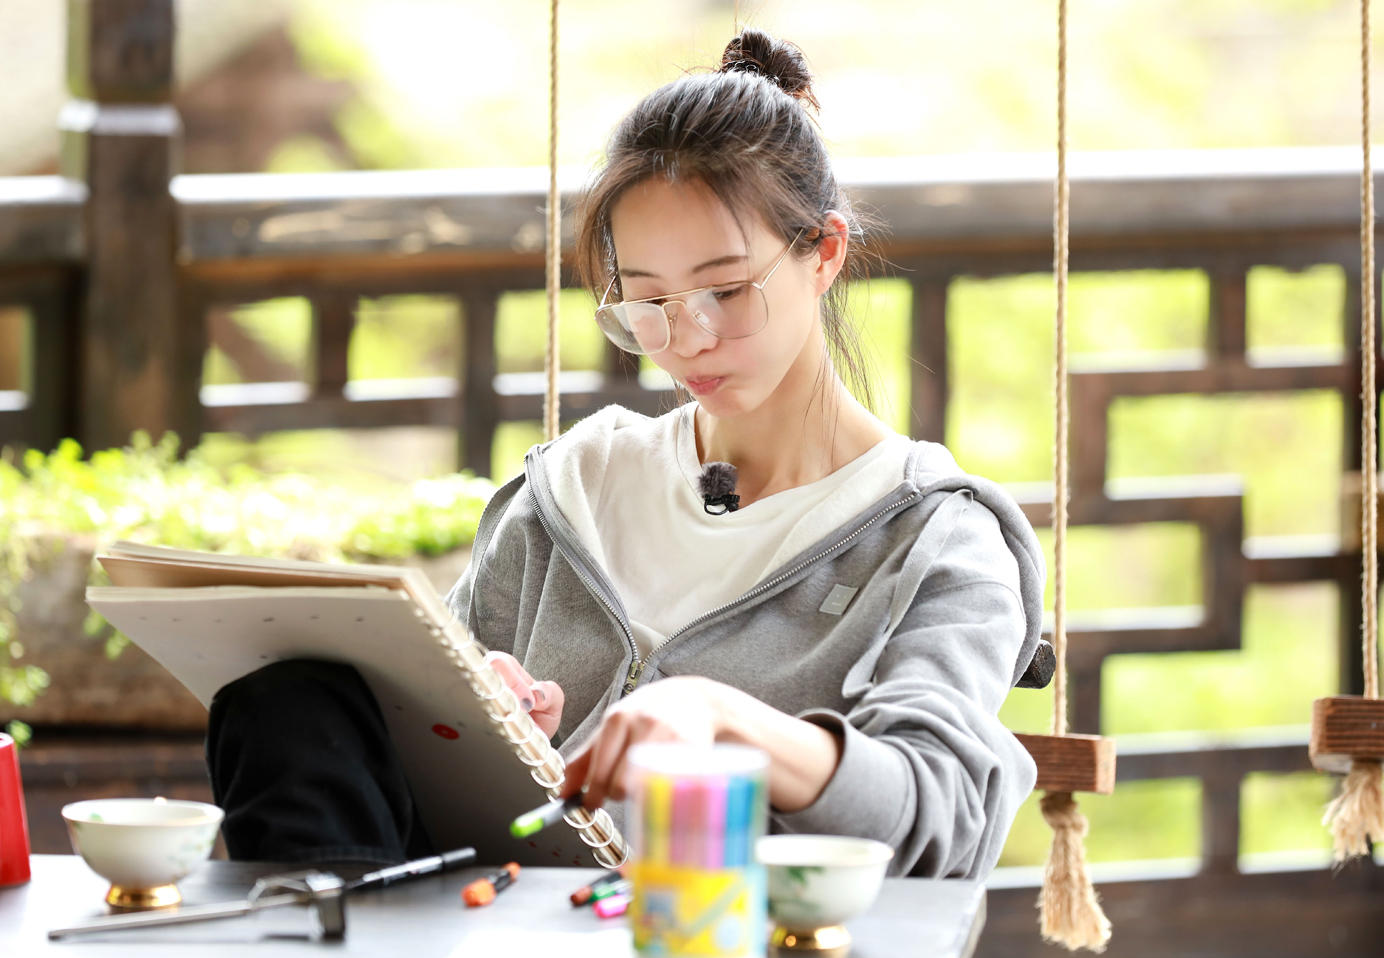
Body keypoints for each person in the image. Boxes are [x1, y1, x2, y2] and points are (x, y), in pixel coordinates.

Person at [207, 29, 1044, 880]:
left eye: (724, 290)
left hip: (717, 936)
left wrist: (724, 719)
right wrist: (482, 704)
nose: (688, 339)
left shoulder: (937, 542)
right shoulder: (577, 487)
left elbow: (939, 808)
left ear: (823, 253)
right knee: (288, 703)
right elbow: (422, 739)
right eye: (648, 302)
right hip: (501, 921)